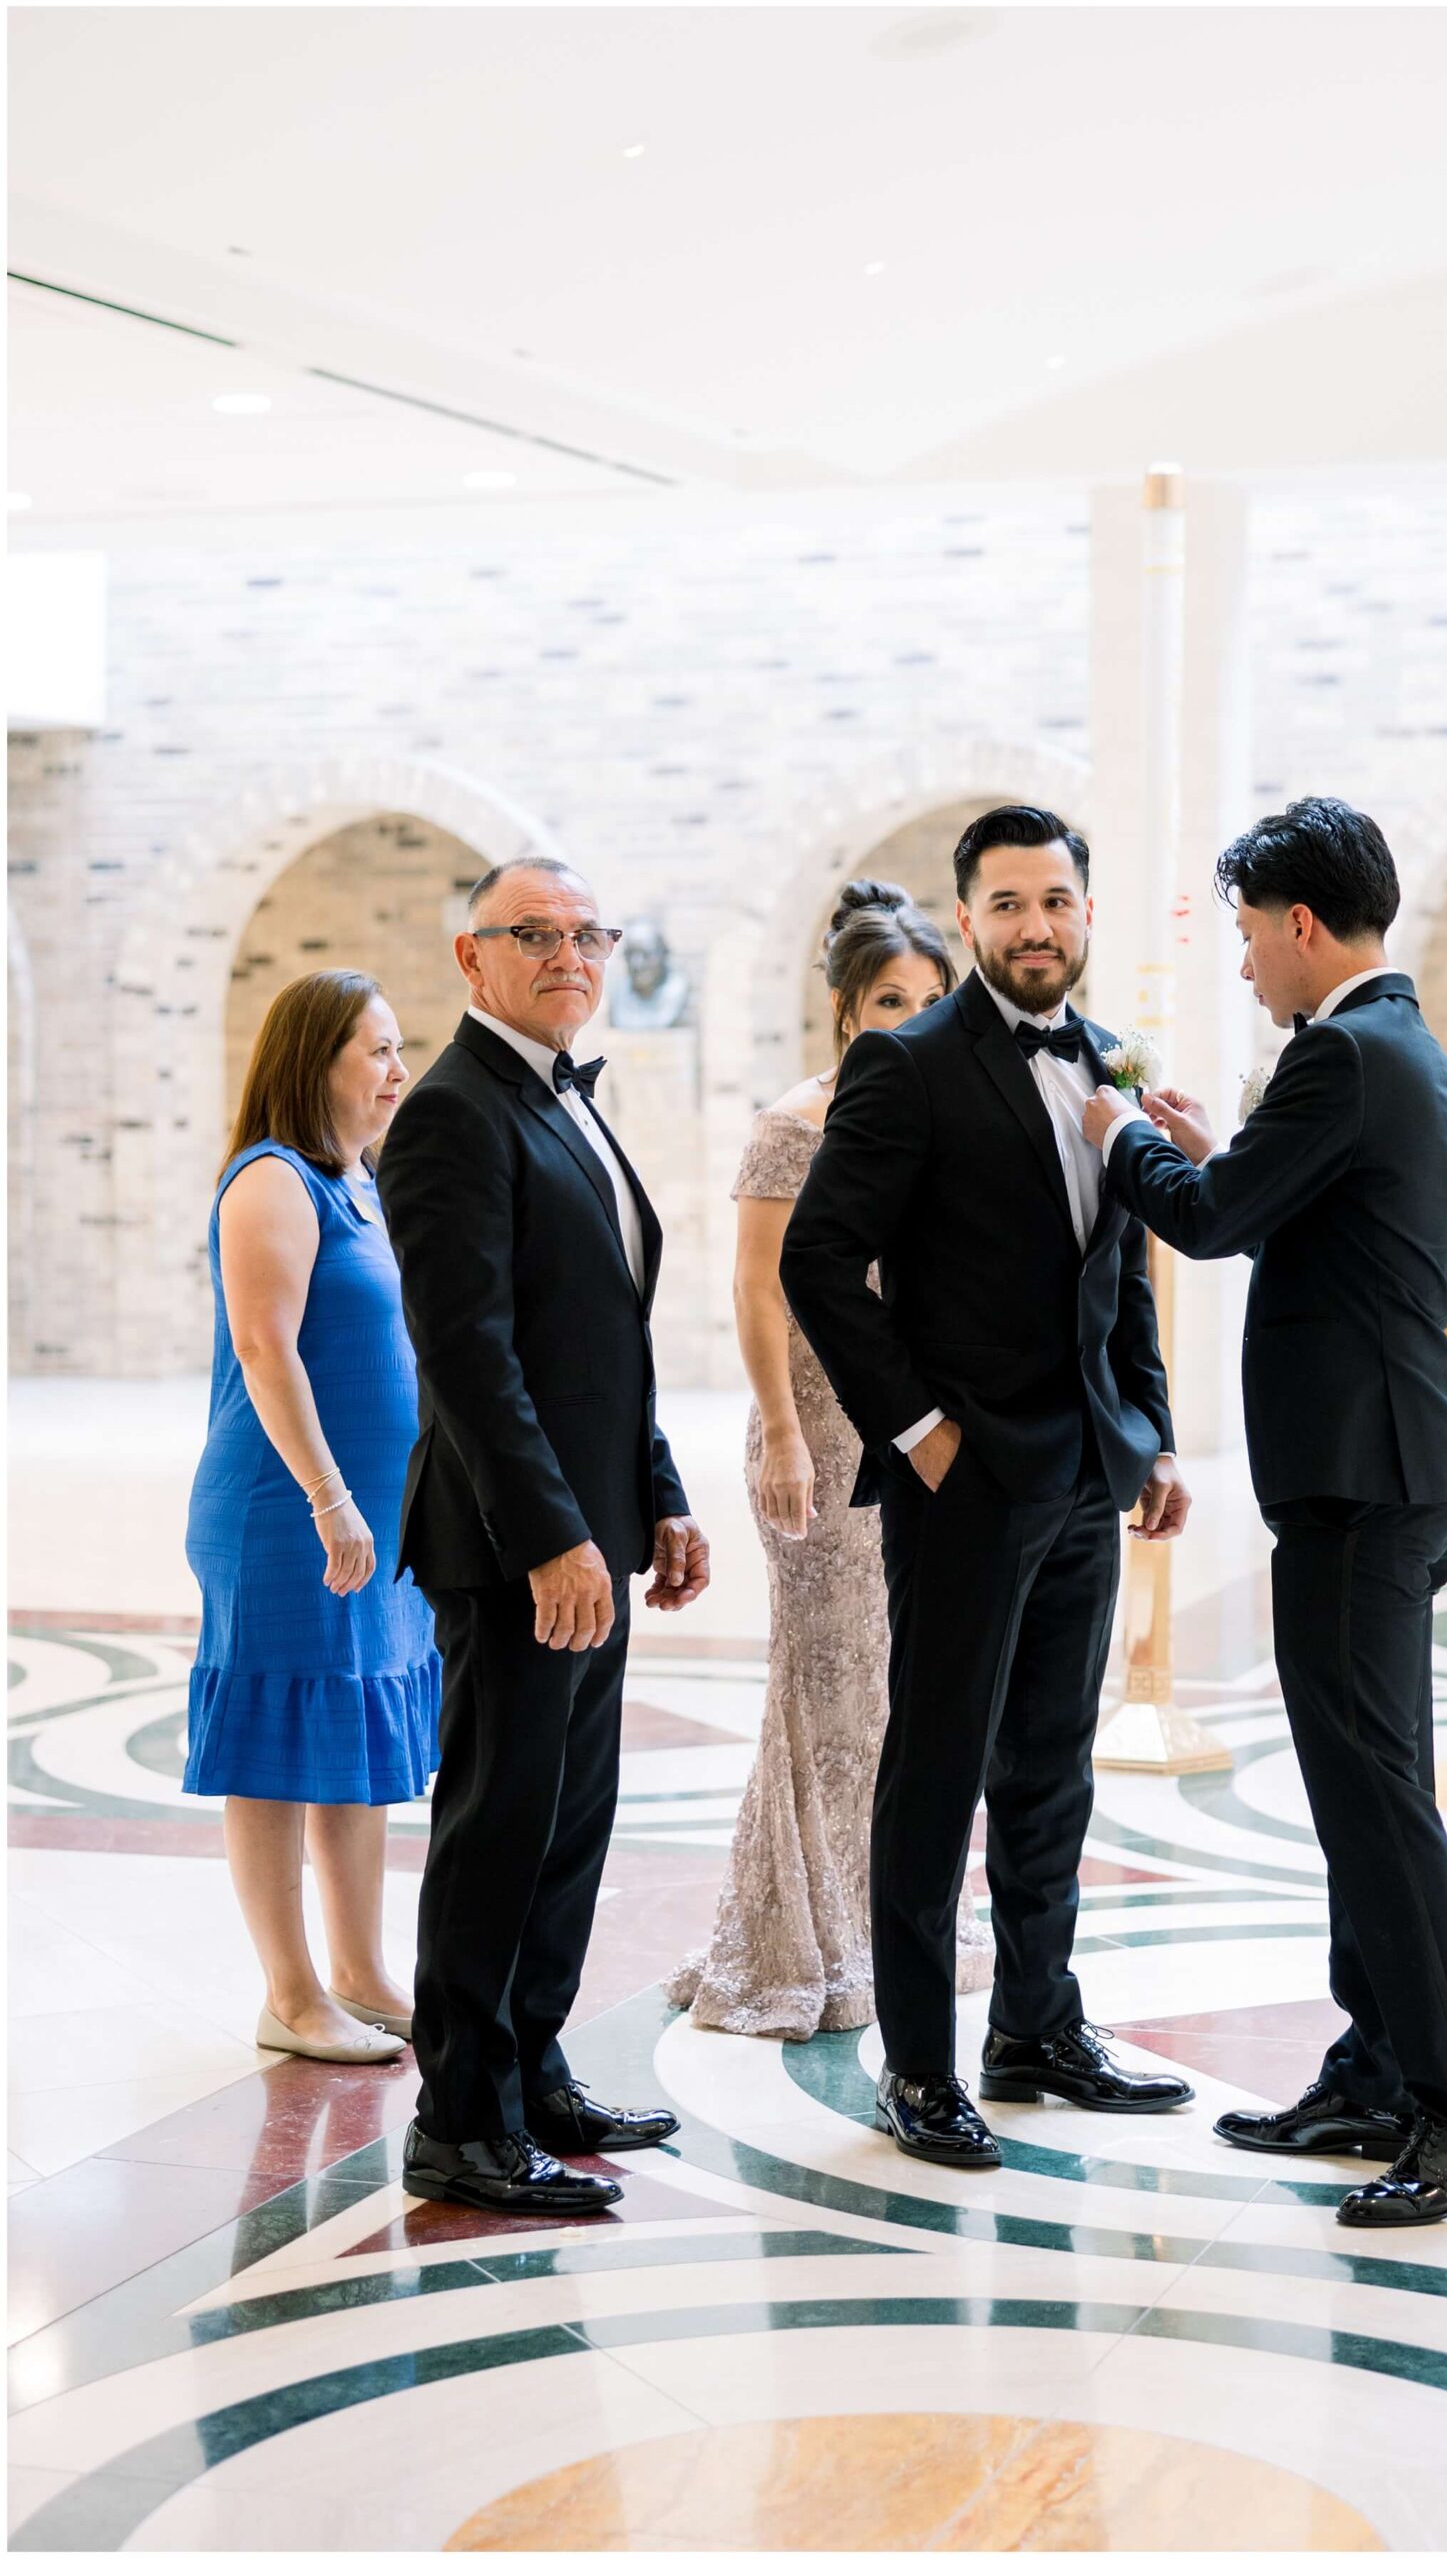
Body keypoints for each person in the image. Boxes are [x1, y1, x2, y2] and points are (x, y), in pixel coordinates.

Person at [1085, 795, 1447, 2229]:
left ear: (1293, 924)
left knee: (1374, 1803)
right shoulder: (1388, 1047)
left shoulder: (1339, 1053)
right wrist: (1217, 1145)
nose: (1237, 968)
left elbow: (1209, 1223)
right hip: (1386, 1468)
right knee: (1360, 1793)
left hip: (1362, 1478)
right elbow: (1289, 1204)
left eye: (1241, 936)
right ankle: (1376, 2067)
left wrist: (1114, 1140)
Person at [782, 807, 1193, 2170]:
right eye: (1006, 904)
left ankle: (1034, 2028)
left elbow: (1118, 1267)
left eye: (1054, 901)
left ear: (1084, 911)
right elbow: (818, 1264)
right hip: (961, 1484)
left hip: (1085, 1471)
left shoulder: (1106, 1062)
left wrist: (1154, 1433)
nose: (1033, 925)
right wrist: (916, 1433)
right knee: (937, 1769)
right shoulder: (905, 1068)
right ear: (966, 921)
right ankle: (916, 2065)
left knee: (1050, 1767)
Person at [378, 858, 710, 2218]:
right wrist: (550, 1540)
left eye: (587, 933)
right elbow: (468, 1356)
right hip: (517, 1548)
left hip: (592, 1532)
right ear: (472, 958)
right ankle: (462, 2118)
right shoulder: (453, 1114)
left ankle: (534, 2064)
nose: (569, 953)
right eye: (536, 934)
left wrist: (659, 1492)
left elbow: (602, 1343)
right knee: (498, 1827)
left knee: (572, 1822)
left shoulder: (565, 1099)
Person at [667, 882, 992, 2039]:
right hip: (811, 1420)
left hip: (912, 1425)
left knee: (898, 1683)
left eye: (926, 1000)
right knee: (824, 1680)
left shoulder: (933, 1114)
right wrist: (783, 1432)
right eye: (886, 1001)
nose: (908, 1019)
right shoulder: (793, 1124)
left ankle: (879, 1918)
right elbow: (757, 1288)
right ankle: (794, 1934)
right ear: (845, 1012)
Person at [184, 970, 440, 2065]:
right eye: (375, 1051)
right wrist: (329, 1496)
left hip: (373, 1515)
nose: (396, 1071)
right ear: (314, 1060)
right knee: (280, 1736)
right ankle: (289, 1994)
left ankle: (361, 1971)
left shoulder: (360, 1181)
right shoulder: (272, 1181)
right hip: (287, 1510)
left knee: (355, 1731)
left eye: (398, 1048)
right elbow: (264, 1347)